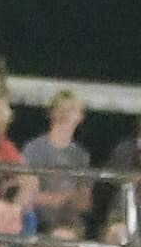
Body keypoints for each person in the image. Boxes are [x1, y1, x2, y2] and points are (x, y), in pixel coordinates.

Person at [22, 89, 93, 231]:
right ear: (52, 112)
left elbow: (85, 202)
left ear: (80, 117)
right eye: (63, 109)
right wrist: (63, 199)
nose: (66, 115)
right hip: (38, 221)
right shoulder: (34, 148)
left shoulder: (81, 156)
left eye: (72, 110)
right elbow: (27, 195)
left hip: (69, 224)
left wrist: (71, 200)